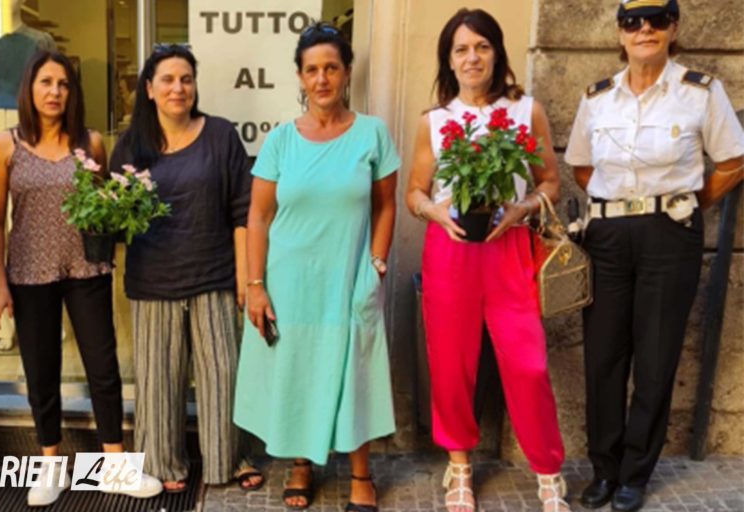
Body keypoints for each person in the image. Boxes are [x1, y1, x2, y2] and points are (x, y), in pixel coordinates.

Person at [565, 1, 744, 511]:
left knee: (657, 355)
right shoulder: (597, 98)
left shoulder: (699, 92)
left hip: (670, 235)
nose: (644, 29)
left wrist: (683, 205)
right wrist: (623, 208)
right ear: (620, 34)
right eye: (632, 21)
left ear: (673, 27)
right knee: (603, 357)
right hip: (607, 235)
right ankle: (604, 468)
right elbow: (581, 166)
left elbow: (733, 161)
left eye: (657, 19)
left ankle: (634, 474)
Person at [406, 9, 570, 512]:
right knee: (451, 364)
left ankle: (548, 471)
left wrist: (523, 207)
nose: (472, 57)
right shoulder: (435, 121)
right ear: (449, 60)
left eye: (481, 46)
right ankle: (459, 466)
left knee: (528, 364)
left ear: (497, 53)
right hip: (450, 250)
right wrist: (433, 210)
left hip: (510, 247)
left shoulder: (526, 112)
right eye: (461, 49)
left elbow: (551, 182)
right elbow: (414, 192)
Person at [234, 22, 399, 512]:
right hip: (289, 283)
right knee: (298, 369)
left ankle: (361, 475)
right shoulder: (281, 140)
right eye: (312, 70)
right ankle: (301, 463)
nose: (322, 79)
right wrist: (256, 284)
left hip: (347, 278)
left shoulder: (372, 133)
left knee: (354, 371)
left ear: (346, 72)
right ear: (300, 77)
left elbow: (386, 206)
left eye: (331, 68)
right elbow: (258, 216)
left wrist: (377, 263)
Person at [0, 50, 162, 507]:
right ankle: (50, 466)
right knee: (41, 371)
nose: (55, 92)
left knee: (103, 368)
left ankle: (115, 468)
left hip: (86, 269)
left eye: (63, 84)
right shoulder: (5, 145)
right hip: (29, 273)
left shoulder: (90, 143)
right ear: (29, 88)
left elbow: (101, 208)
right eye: (46, 82)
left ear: (72, 92)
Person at [109, 44, 262, 493]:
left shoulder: (220, 135)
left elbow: (242, 211)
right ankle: (163, 462)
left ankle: (229, 459)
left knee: (222, 376)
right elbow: (115, 217)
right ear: (149, 89)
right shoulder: (131, 145)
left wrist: (244, 278)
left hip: (213, 277)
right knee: (158, 382)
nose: (178, 88)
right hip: (153, 282)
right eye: (168, 80)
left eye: (186, 79)